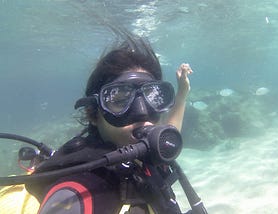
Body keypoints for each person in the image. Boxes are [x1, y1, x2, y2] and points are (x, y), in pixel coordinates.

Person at [25, 33, 193, 214]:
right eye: (119, 100)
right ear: (93, 114)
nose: (143, 112)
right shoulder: (84, 189)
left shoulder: (147, 152)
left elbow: (169, 132)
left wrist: (182, 93)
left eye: (152, 98)